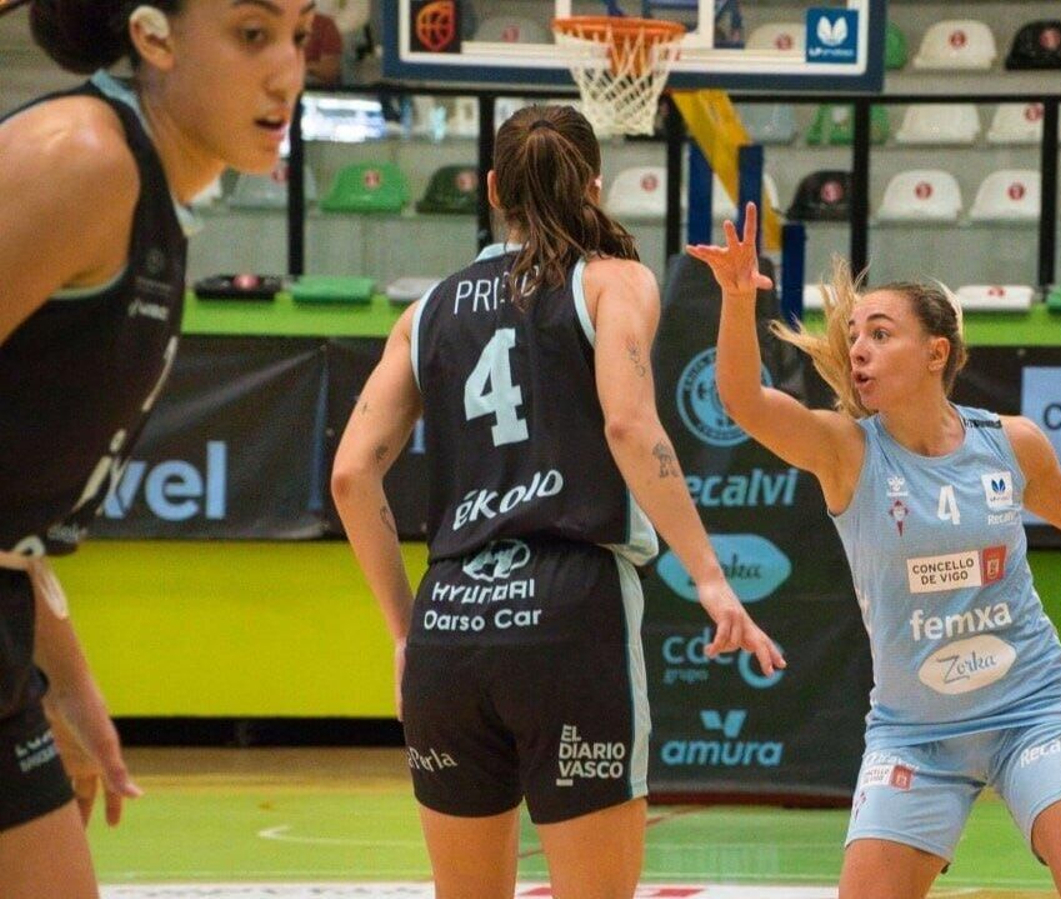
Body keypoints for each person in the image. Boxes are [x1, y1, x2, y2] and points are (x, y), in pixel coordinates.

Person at [330, 106, 783, 899]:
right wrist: (709, 577)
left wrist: (405, 630)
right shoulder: (615, 279)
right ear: (595, 185)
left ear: (496, 188)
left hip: (449, 618)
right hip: (568, 609)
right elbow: (627, 422)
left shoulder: (425, 309)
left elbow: (350, 476)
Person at [688, 210, 1061, 899]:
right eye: (854, 337)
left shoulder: (1010, 443)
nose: (859, 350)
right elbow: (744, 401)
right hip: (914, 734)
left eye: (880, 333)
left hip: (1031, 710)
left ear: (937, 352)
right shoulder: (846, 451)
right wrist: (735, 297)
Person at [0, 1, 309, 894]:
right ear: (154, 36)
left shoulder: (148, 201)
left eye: (299, 34)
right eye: (253, 35)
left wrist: (66, 681)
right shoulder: (82, 159)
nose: (287, 70)